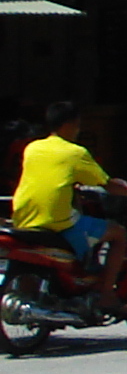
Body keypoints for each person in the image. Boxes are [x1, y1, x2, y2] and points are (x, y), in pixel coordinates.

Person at [13, 100, 112, 282]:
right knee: (119, 233)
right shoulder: (76, 153)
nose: (78, 130)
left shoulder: (32, 148)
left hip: (23, 220)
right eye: (77, 125)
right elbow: (107, 184)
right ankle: (107, 295)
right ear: (70, 124)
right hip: (55, 222)